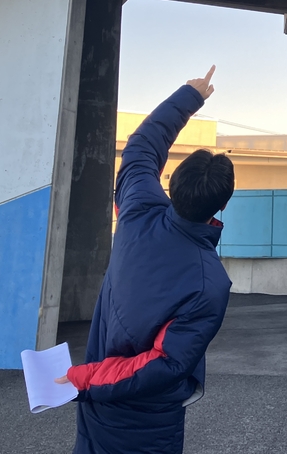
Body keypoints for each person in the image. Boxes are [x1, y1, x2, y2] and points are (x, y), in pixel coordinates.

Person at [57, 66, 234, 454]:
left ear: (171, 184)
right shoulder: (210, 283)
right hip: (147, 425)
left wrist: (190, 96)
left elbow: (141, 147)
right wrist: (85, 379)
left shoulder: (137, 209)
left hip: (95, 414)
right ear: (221, 206)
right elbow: (164, 365)